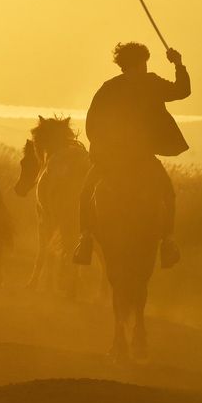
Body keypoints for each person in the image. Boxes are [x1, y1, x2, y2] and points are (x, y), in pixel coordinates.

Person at [72, 41, 191, 268]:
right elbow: (182, 91)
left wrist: (101, 151)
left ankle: (85, 240)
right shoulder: (151, 83)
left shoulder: (108, 88)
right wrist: (178, 64)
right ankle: (167, 241)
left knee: (86, 192)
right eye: (144, 62)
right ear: (141, 63)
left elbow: (92, 124)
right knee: (167, 193)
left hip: (111, 161)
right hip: (143, 158)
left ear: (123, 64)